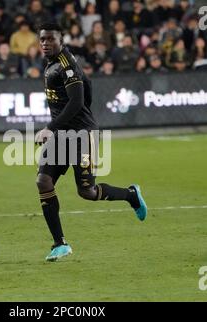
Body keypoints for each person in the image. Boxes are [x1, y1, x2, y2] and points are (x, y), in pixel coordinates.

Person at [36, 23, 147, 262]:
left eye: (50, 39)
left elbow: (77, 102)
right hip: (61, 135)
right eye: (42, 39)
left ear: (61, 39)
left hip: (81, 135)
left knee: (87, 191)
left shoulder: (67, 66)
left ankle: (131, 195)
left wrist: (49, 127)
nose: (45, 43)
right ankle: (60, 244)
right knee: (43, 181)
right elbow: (89, 86)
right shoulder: (51, 63)